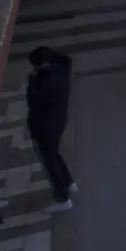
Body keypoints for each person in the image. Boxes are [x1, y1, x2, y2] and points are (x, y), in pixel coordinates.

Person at [26, 47, 77, 212]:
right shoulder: (61, 71)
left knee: (49, 162)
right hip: (56, 122)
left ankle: (62, 198)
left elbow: (32, 100)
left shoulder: (48, 83)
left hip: (45, 127)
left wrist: (32, 83)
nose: (34, 69)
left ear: (45, 63)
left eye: (36, 65)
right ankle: (68, 183)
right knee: (54, 154)